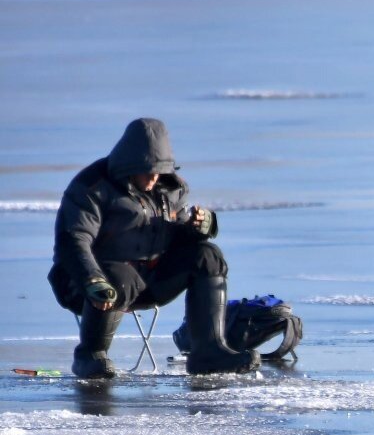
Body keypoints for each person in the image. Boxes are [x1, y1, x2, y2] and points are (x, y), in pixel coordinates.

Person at [48, 117, 260, 379]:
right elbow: (73, 240)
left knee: (209, 256)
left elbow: (176, 234)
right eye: (147, 171)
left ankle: (208, 352)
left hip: (149, 279)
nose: (153, 178)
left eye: (158, 171)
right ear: (129, 165)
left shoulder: (170, 188)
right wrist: (91, 278)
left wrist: (203, 225)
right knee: (119, 277)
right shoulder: (92, 187)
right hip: (87, 285)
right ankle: (90, 354)